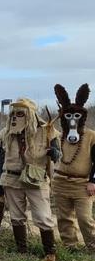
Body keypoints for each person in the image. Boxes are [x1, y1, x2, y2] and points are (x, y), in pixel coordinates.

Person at [0, 98, 60, 261]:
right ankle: (22, 251)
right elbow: (0, 158)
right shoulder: (6, 132)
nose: (16, 117)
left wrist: (54, 153)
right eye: (13, 113)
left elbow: (57, 155)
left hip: (36, 178)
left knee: (43, 216)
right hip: (11, 177)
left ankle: (50, 254)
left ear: (29, 114)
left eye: (20, 113)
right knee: (16, 217)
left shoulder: (47, 130)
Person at [52, 84, 95, 250]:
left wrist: (93, 181)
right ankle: (71, 246)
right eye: (68, 115)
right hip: (61, 182)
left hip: (82, 185)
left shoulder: (91, 136)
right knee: (64, 218)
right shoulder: (58, 135)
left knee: (85, 218)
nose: (72, 118)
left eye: (76, 115)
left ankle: (92, 246)